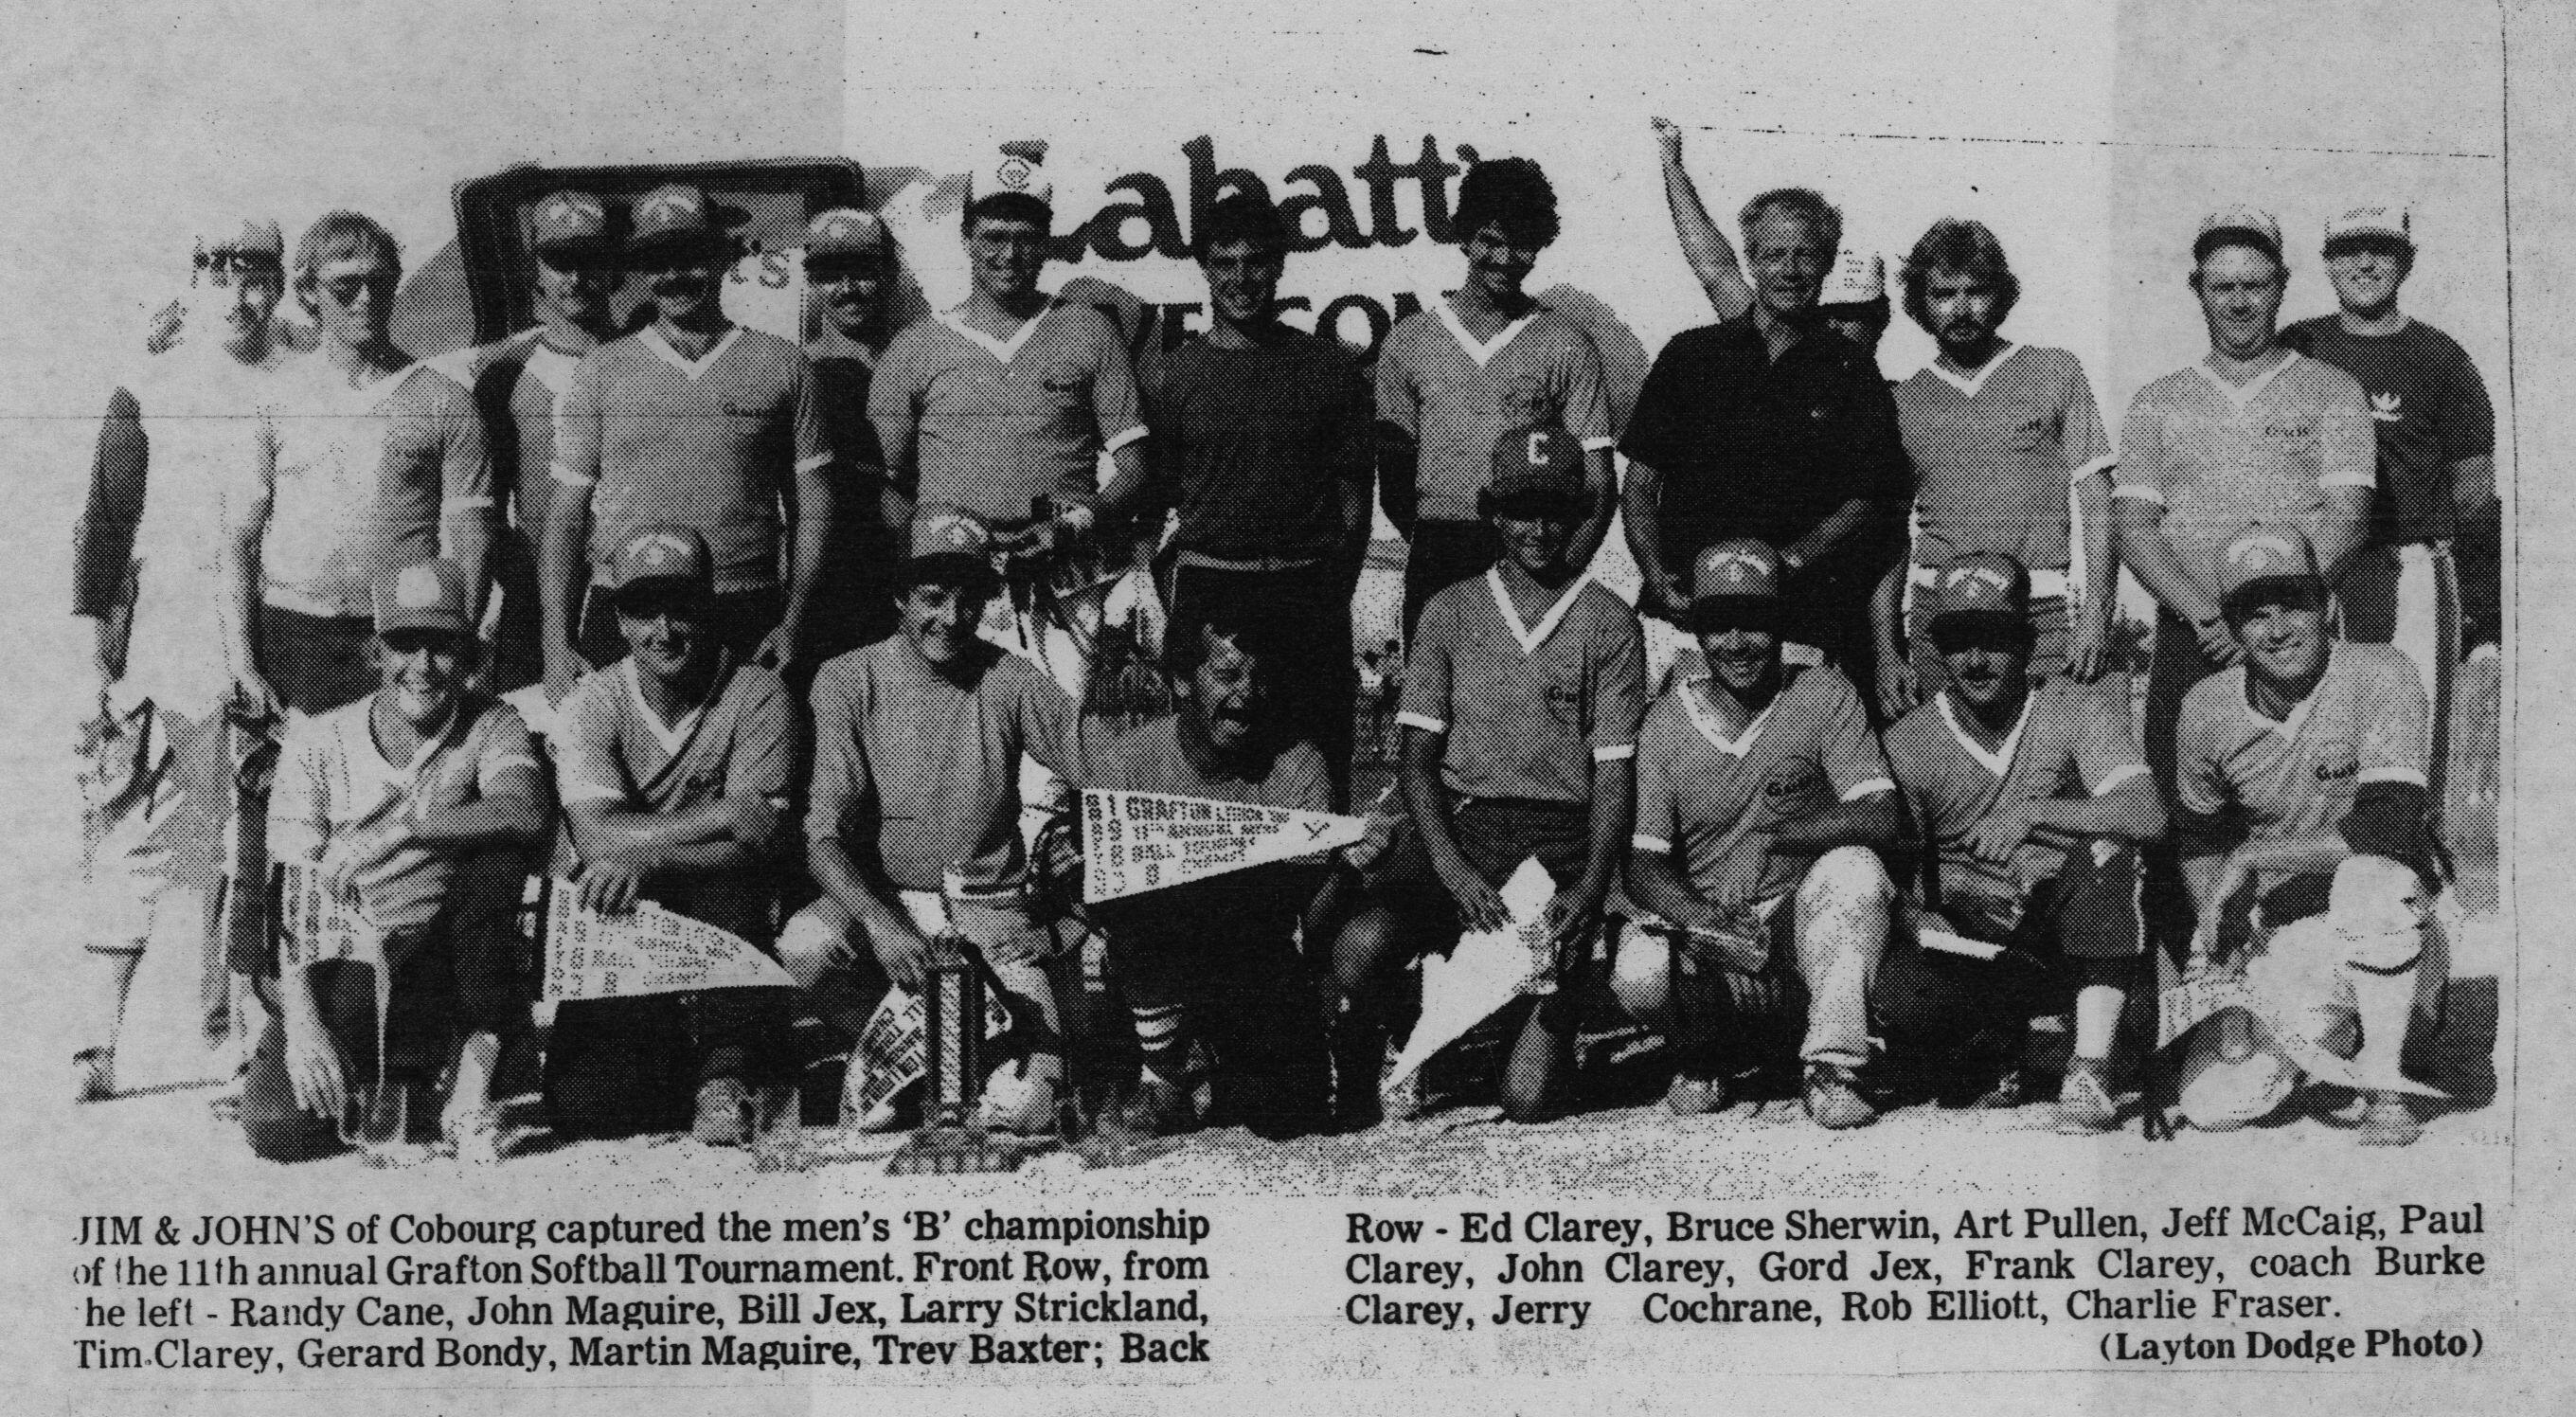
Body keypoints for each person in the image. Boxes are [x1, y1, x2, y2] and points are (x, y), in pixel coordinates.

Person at [1329, 424, 1642, 1125]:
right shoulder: (1450, 609)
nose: (1537, 527)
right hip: (1461, 828)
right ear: (1491, 511)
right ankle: (1408, 1036)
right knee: (1361, 946)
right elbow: (1416, 763)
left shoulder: (1608, 620)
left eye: (1555, 509)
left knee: (1528, 1100)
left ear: (1579, 513)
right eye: (1520, 508)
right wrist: (1452, 870)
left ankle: (1489, 1032)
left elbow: (1615, 775)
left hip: (1555, 841)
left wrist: (1591, 886)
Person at [782, 505, 1094, 1135]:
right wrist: (878, 920)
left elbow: (1103, 765)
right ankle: (912, 1052)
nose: (950, 619)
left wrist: (1067, 922)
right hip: (886, 904)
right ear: (899, 596)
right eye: (932, 597)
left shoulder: (1008, 676)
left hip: (987, 907)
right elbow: (821, 836)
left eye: (968, 600)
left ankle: (964, 1061)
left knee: (1029, 1099)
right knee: (804, 946)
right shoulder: (847, 678)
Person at [75, 217, 295, 1102]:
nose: (241, 299)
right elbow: (103, 528)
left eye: (258, 280)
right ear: (196, 283)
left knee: (255, 843)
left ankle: (236, 1029)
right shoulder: (149, 385)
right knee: (140, 835)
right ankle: (96, 1043)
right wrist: (95, 666)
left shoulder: (294, 373)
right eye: (223, 279)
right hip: (168, 645)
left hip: (269, 637)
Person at [239, 559, 550, 1162]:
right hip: (347, 954)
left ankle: (477, 1048)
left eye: (442, 647)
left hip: (442, 954)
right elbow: (290, 889)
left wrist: (405, 830)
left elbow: (523, 810)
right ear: (377, 653)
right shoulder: (320, 738)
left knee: (498, 857)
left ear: (469, 655)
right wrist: (301, 1024)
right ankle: (415, 1079)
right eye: (405, 645)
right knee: (279, 1125)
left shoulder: (494, 722)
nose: (423, 667)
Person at [1609, 540, 1902, 1130]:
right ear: (1696, 628)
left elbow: (1882, 815)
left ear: (1780, 622)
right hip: (1711, 924)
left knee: (1856, 871)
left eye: (1756, 623)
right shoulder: (1667, 720)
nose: (1738, 644)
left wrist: (1787, 834)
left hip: (1795, 929)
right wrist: (1704, 919)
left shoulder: (1822, 691)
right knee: (1639, 970)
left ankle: (1834, 1062)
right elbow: (1645, 864)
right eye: (1720, 625)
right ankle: (1707, 1052)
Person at [2167, 525, 2444, 1145]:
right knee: (2214, 1103)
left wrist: (2254, 855)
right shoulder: (2207, 707)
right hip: (2290, 932)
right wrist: (2220, 937)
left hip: (2389, 918)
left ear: (2327, 608)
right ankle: (2347, 1028)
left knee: (2373, 881)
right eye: (2255, 614)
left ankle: (2387, 1084)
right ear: (2233, 631)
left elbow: (2391, 826)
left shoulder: (2381, 671)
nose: (2277, 628)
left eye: (2293, 605)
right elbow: (2200, 841)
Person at [1100, 193, 1373, 805]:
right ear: (1203, 267)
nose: (1240, 279)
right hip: (1212, 592)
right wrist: (1167, 593)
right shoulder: (1172, 377)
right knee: (1210, 769)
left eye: (1255, 262)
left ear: (1279, 266)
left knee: (1317, 767)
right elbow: (1152, 504)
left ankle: (1316, 898)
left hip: (1305, 594)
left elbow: (1354, 502)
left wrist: (1332, 594)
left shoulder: (1328, 369)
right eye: (1225, 263)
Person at [1881, 554, 2165, 1132]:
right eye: (1960, 641)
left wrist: (2036, 813)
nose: (1978, 660)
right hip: (1972, 935)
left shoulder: (2074, 706)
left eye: (1997, 639)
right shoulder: (1908, 740)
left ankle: (2088, 1068)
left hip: (2068, 929)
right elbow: (1893, 865)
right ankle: (2011, 1047)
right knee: (1901, 999)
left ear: (2029, 641)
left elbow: (2147, 814)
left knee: (2112, 850)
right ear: (1937, 648)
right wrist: (1928, 907)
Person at [543, 526, 804, 1145]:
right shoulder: (594, 699)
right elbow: (598, 837)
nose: (663, 630)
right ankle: (672, 1046)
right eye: (643, 612)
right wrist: (719, 812)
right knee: (590, 1109)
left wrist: (655, 852)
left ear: (708, 606)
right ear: (621, 621)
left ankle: (725, 1072)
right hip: (623, 902)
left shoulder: (757, 693)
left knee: (731, 879)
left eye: (680, 608)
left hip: (719, 897)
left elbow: (756, 837)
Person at [2113, 206, 2374, 798]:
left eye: (2254, 286)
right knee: (2185, 816)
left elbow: (2348, 517)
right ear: (2197, 291)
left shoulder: (2333, 390)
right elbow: (2134, 527)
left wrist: (2272, 614)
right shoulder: (2157, 400)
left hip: (2297, 631)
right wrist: (2212, 619)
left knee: (2317, 806)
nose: (2237, 302)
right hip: (2193, 632)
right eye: (2221, 286)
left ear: (2282, 285)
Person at [542, 183, 834, 704]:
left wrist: (795, 622)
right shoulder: (600, 370)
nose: (675, 276)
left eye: (691, 257)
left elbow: (813, 506)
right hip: (627, 606)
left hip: (741, 605)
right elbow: (566, 515)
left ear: (722, 257)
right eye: (658, 261)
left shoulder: (783, 363)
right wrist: (557, 641)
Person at [1619, 187, 1909, 692]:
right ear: (1751, 260)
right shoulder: (1691, 355)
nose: (1791, 270)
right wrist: (1656, 573)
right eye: (1775, 255)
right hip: (1683, 623)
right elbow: (1642, 483)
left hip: (1792, 627)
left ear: (1825, 265)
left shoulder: (1852, 371)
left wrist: (1793, 558)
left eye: (1806, 256)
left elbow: (1870, 498)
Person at [867, 180, 1148, 698]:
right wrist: (932, 543)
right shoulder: (916, 345)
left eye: (1026, 237)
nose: (1009, 254)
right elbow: (874, 481)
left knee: (1053, 760)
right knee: (957, 738)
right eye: (993, 236)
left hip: (1063, 578)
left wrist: (1082, 520)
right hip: (955, 584)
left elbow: (1134, 468)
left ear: (1046, 242)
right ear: (967, 237)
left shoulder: (1087, 330)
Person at [223, 211, 497, 719]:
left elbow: (472, 536)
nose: (367, 300)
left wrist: (463, 643)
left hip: (402, 634)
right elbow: (238, 538)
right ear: (309, 294)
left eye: (380, 283)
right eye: (346, 288)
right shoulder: (275, 398)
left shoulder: (444, 400)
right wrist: (241, 661)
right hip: (293, 633)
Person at [1081, 613, 1337, 1139]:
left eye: (1261, 678)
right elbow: (1096, 882)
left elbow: (1308, 909)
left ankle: (1203, 1072)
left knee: (1287, 1114)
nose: (1249, 694)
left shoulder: (1298, 764)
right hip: (1153, 959)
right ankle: (1161, 1066)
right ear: (1181, 680)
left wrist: (1345, 862)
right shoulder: (1128, 759)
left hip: (1249, 959)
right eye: (1227, 676)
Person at [2281, 204, 2496, 800]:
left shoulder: (2441, 357)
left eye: (2381, 250)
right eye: (2349, 251)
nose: (2365, 263)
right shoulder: (2298, 344)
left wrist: (2473, 590)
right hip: (2315, 563)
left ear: (2407, 262)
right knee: (2313, 721)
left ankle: (2412, 865)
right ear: (2327, 265)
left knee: (2415, 716)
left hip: (2409, 564)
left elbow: (2474, 488)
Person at [1875, 219, 2118, 719]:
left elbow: (2096, 498)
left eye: (1977, 291)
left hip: (2040, 613)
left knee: (2049, 771)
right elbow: (1887, 536)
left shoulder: (2055, 370)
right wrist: (1886, 648)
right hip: (1940, 616)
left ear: (2002, 294)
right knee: (1952, 773)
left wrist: (2096, 614)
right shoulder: (1901, 400)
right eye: (1944, 294)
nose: (1961, 308)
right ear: (1920, 302)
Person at [1374, 156, 1616, 637]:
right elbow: (1396, 487)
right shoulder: (1410, 340)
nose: (1505, 259)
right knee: (1436, 702)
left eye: (1522, 244)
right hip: (1441, 553)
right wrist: (1438, 544)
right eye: (1491, 241)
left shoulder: (1565, 341)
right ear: (1463, 237)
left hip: (1532, 548)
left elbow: (1600, 485)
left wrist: (1557, 571)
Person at [458, 189, 626, 693]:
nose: (576, 279)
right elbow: (483, 504)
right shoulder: (505, 371)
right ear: (537, 271)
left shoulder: (641, 360)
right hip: (533, 600)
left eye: (591, 262)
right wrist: (519, 582)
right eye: (560, 263)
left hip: (624, 589)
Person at [800, 206, 910, 667]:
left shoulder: (919, 360)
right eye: (831, 274)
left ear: (887, 274)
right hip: (827, 582)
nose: (847, 289)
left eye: (862, 272)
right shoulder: (797, 369)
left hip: (910, 574)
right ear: (810, 281)